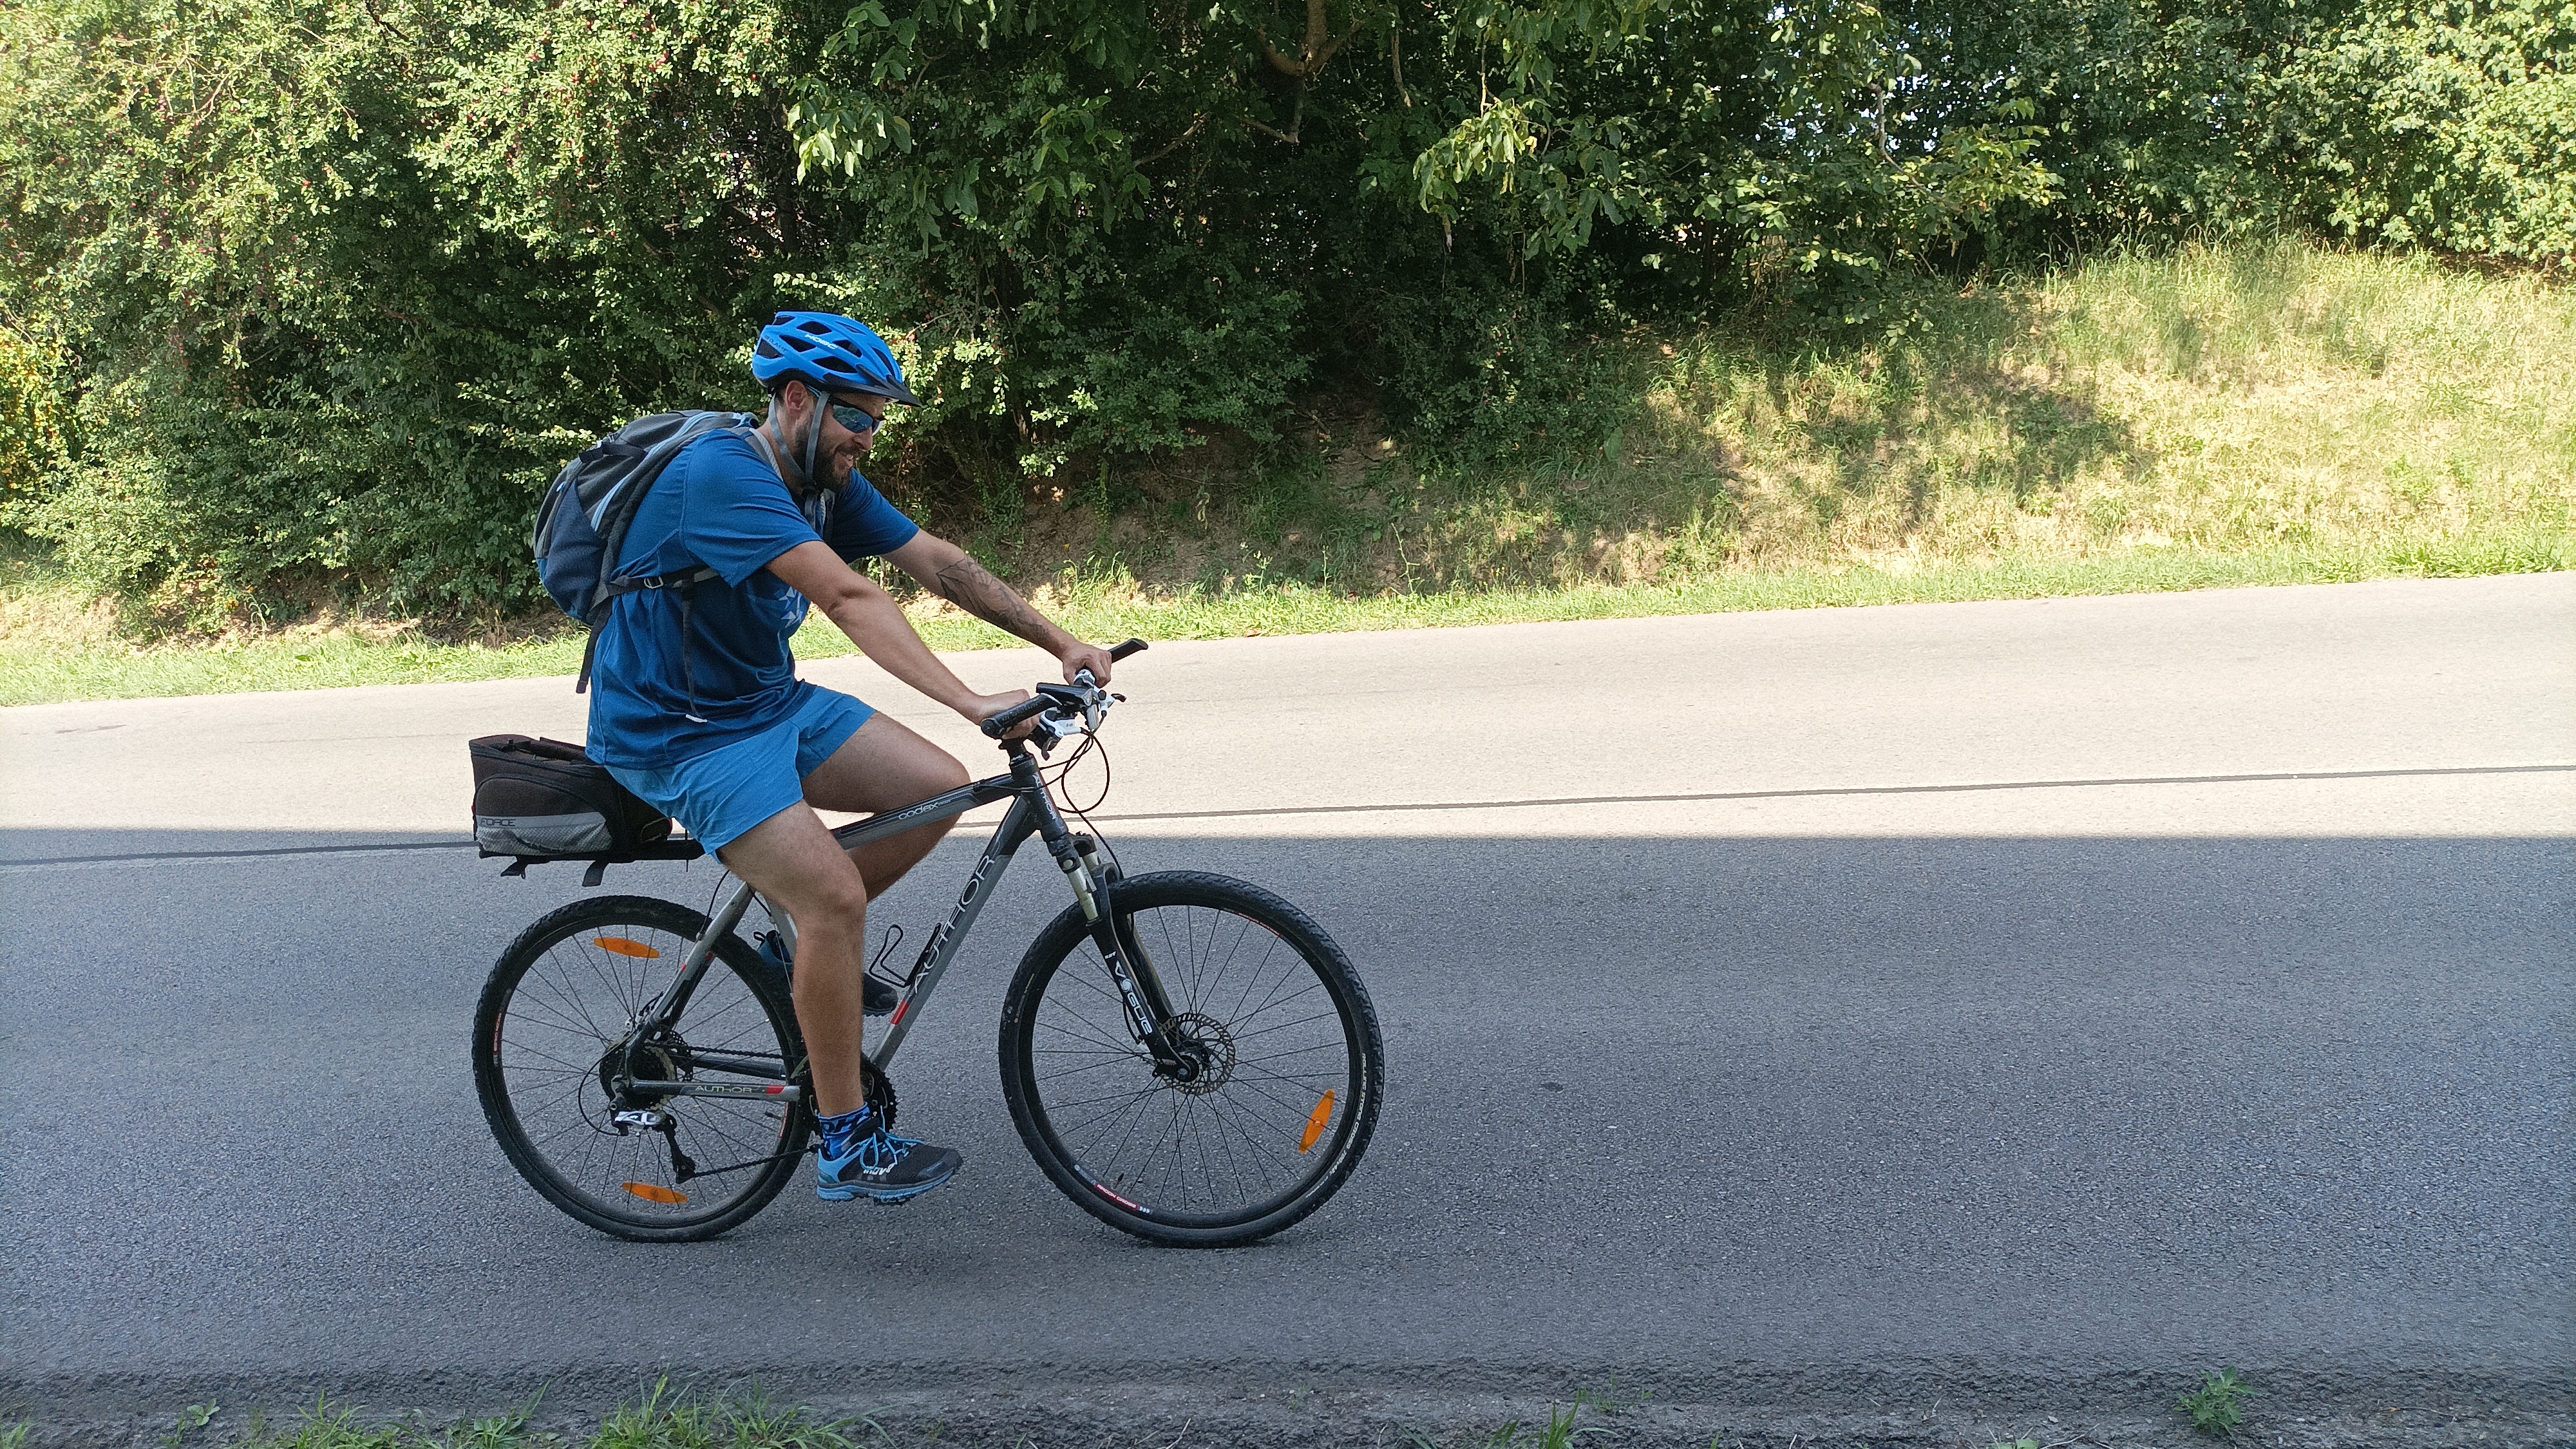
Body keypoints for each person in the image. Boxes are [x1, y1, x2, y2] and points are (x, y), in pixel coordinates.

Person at [583, 310, 1114, 1206]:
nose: (868, 437)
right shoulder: (722, 474)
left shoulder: (822, 479)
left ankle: (795, 945)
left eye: (877, 420)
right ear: (797, 399)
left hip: (763, 703)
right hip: (680, 730)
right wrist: (973, 700)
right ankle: (845, 1142)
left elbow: (935, 563)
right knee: (832, 894)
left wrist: (1062, 640)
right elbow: (846, 592)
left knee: (940, 786)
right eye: (857, 416)